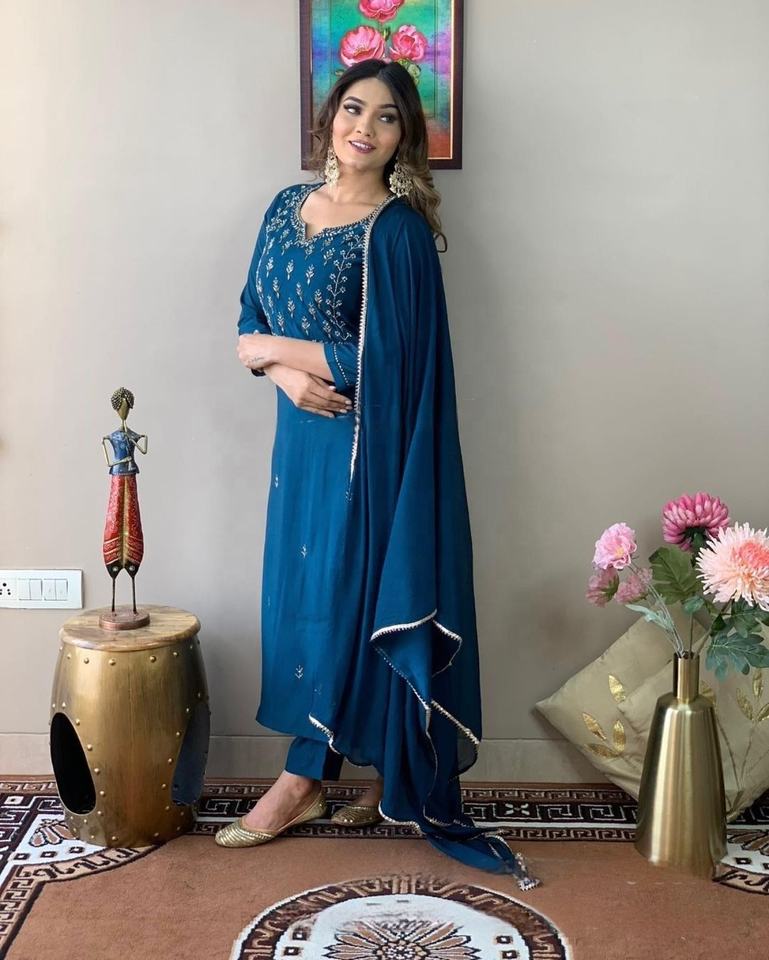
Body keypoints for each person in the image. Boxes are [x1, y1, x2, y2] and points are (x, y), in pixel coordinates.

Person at [215, 58, 540, 890]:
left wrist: (274, 350)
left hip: (368, 449)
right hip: (301, 441)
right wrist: (280, 372)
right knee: (298, 600)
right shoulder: (284, 208)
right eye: (353, 108)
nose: (364, 127)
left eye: (387, 116)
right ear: (329, 116)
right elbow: (249, 317)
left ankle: (301, 781)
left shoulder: (395, 231)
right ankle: (353, 769)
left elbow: (391, 361)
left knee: (342, 600)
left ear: (404, 139)